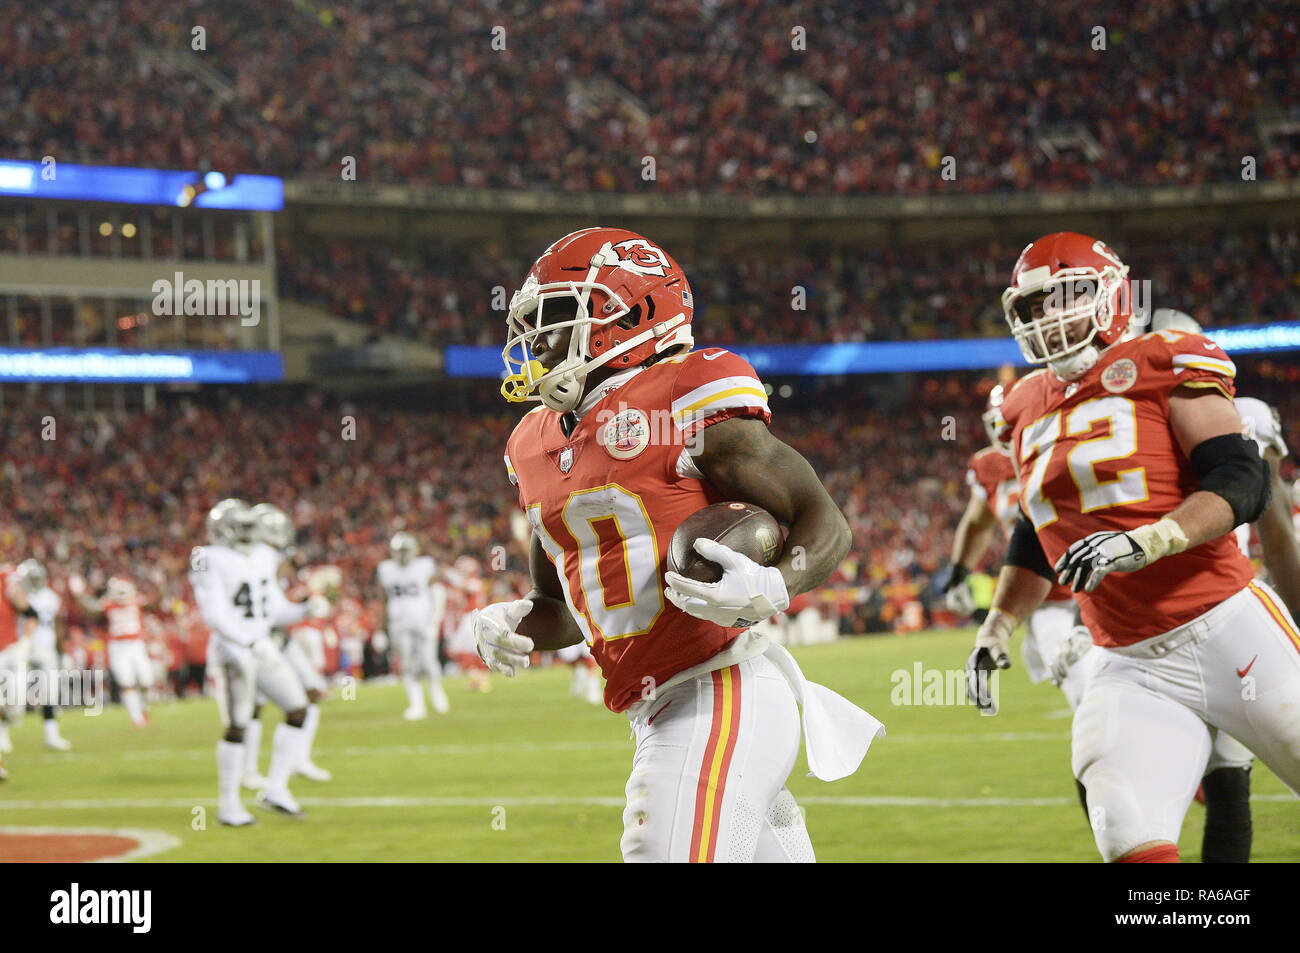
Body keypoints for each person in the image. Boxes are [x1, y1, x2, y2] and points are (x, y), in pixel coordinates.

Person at [477, 226, 884, 863]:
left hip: (720, 690)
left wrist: (776, 584)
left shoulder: (684, 391)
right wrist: (513, 619)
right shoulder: (531, 443)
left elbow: (821, 520)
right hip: (658, 708)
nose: (538, 340)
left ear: (630, 315)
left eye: (559, 317)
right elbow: (558, 606)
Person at [966, 231, 1300, 863]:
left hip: (1227, 627)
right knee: (1124, 827)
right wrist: (998, 625)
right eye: (1034, 307)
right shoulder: (1023, 405)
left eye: (1066, 296)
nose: (1049, 317)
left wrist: (1148, 541)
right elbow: (1037, 532)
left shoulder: (1164, 359)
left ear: (1111, 293)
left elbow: (1242, 478)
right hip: (1127, 659)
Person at [942, 381, 1086, 705]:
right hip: (1044, 599)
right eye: (998, 423)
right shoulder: (989, 467)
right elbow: (978, 522)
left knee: (1100, 680)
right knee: (1080, 679)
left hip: (1094, 585)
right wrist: (958, 571)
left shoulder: (1067, 449)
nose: (1005, 432)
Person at [189, 498, 325, 825]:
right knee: (239, 723)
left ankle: (276, 790)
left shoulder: (264, 556)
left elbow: (273, 609)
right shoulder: (207, 558)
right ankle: (228, 805)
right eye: (242, 527)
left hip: (261, 644)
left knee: (298, 709)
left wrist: (305, 609)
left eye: (251, 527)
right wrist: (246, 641)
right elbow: (214, 614)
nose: (248, 533)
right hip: (233, 649)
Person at [377, 532, 449, 718]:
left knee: (429, 661)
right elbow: (383, 600)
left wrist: (435, 620)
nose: (402, 554)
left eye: (405, 550)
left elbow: (438, 593)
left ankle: (437, 693)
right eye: (399, 551)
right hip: (398, 623)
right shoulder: (385, 569)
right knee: (407, 665)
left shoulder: (424, 565)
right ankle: (416, 704)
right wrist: (380, 629)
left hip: (423, 620)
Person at [18, 560, 71, 750]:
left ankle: (52, 735)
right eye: (31, 578)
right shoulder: (17, 594)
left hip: (46, 647)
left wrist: (60, 648)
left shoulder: (50, 596)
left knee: (49, 693)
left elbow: (57, 623)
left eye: (36, 577)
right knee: (12, 694)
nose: (34, 581)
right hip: (22, 646)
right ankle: (3, 736)